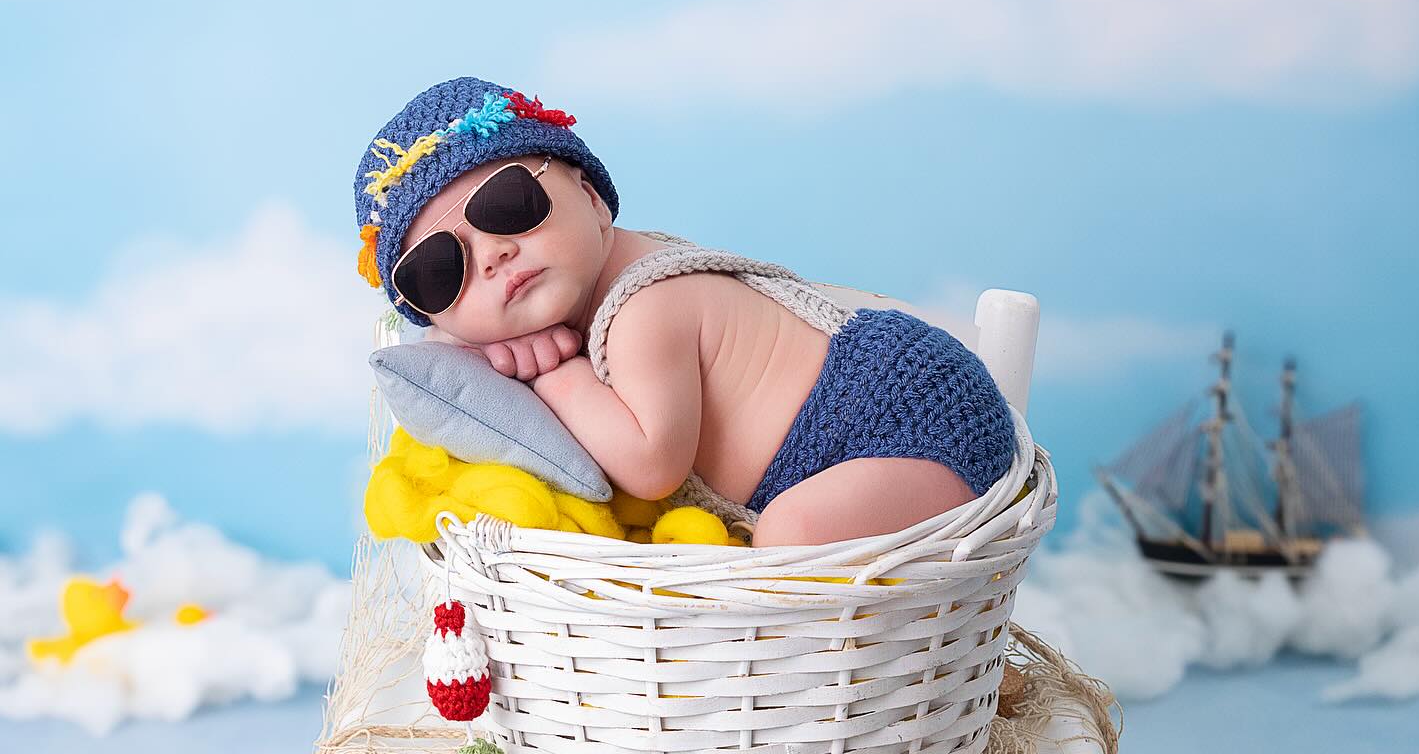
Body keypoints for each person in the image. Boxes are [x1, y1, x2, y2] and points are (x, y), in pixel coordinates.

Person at [355, 77, 1014, 547]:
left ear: (592, 198)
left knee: (793, 537)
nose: (494, 255)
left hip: (902, 419)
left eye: (508, 206)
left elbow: (652, 465)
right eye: (440, 272)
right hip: (846, 441)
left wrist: (555, 375)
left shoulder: (645, 305)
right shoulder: (589, 289)